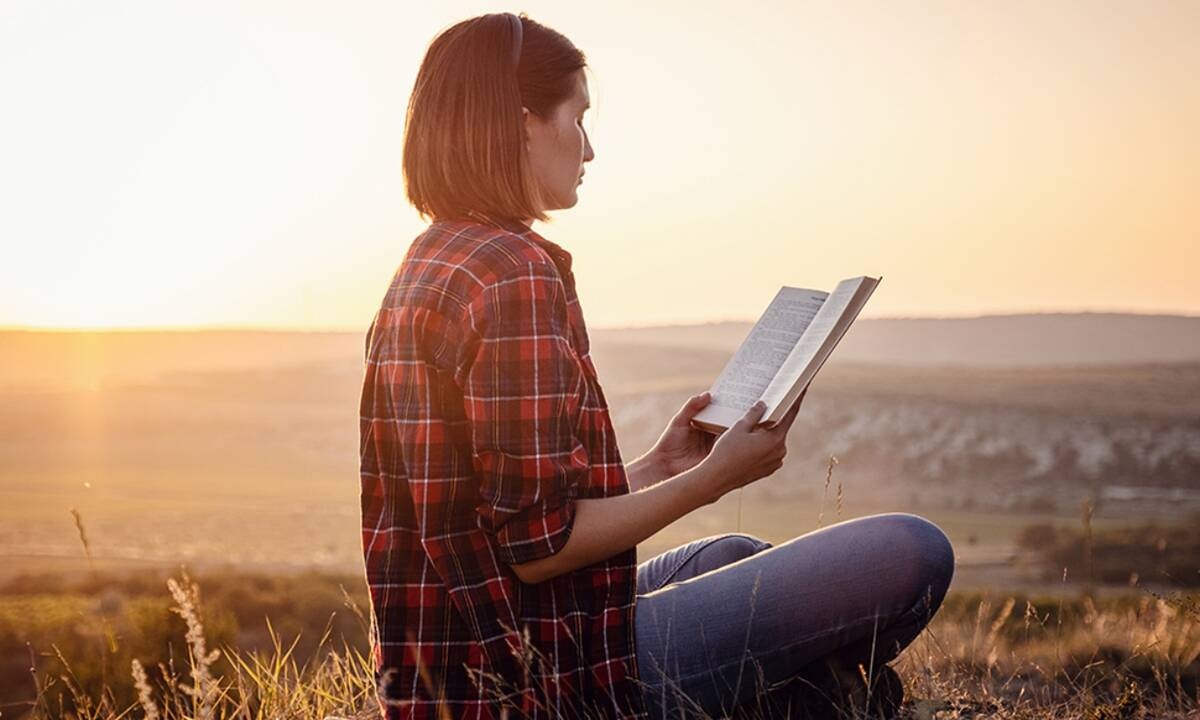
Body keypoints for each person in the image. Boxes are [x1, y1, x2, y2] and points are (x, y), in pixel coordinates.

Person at [358, 11, 955, 720]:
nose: (590, 148)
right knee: (912, 551)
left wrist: (663, 466)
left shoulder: (431, 260)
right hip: (534, 683)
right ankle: (813, 701)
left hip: (455, 663)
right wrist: (709, 481)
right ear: (523, 125)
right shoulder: (511, 273)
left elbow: (509, 516)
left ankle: (810, 699)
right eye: (578, 118)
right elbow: (536, 551)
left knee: (730, 552)